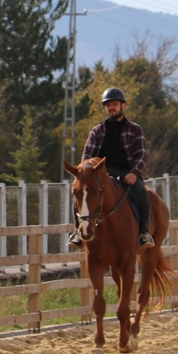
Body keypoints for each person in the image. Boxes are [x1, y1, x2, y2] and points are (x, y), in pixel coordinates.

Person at [69, 87, 154, 250]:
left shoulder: (135, 129)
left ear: (123, 106)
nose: (111, 108)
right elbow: (87, 156)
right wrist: (84, 175)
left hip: (126, 173)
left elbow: (142, 155)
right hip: (100, 175)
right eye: (108, 105)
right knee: (79, 194)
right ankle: (78, 233)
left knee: (142, 193)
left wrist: (134, 174)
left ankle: (144, 233)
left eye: (114, 104)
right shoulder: (97, 131)